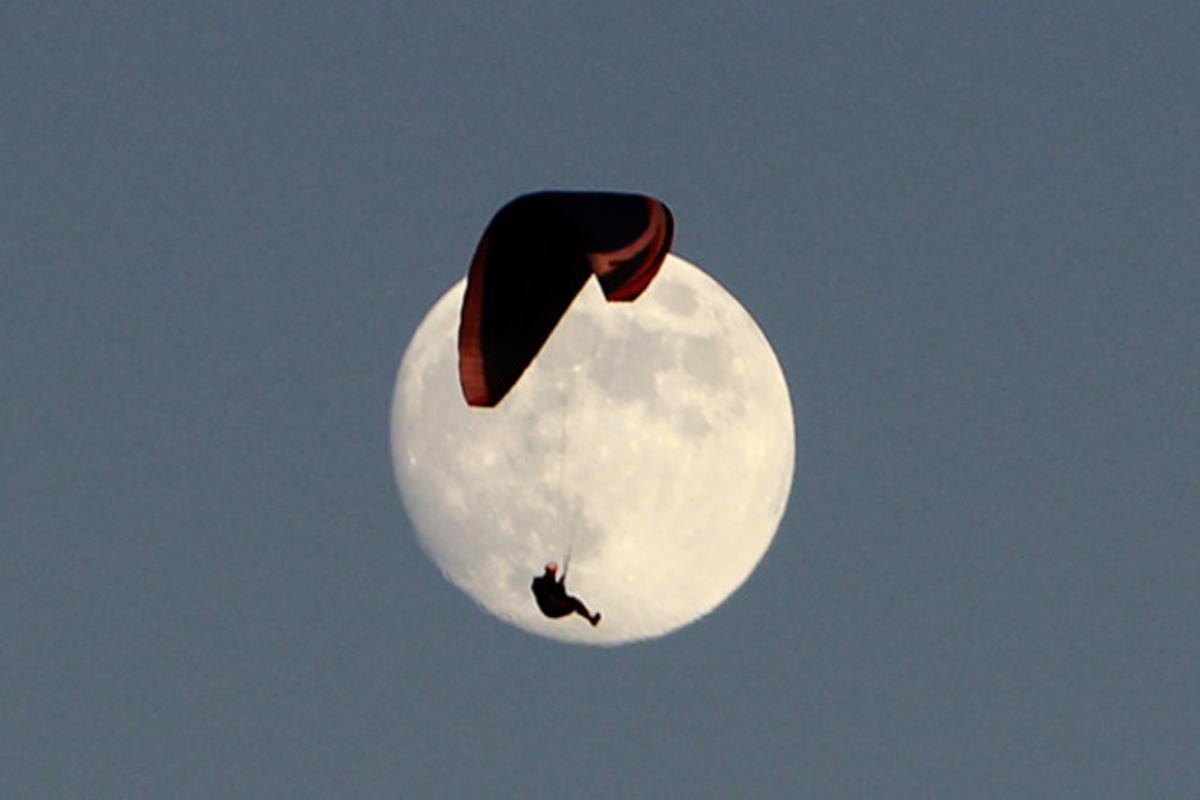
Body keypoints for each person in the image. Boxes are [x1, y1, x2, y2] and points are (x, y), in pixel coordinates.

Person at [531, 562, 601, 626]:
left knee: (574, 602)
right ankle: (591, 619)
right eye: (551, 571)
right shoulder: (539, 582)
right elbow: (544, 594)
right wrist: (559, 600)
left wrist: (561, 584)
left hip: (556, 608)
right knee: (573, 602)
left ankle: (591, 618)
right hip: (549, 609)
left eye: (554, 571)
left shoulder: (554, 585)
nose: (553, 573)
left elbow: (562, 595)